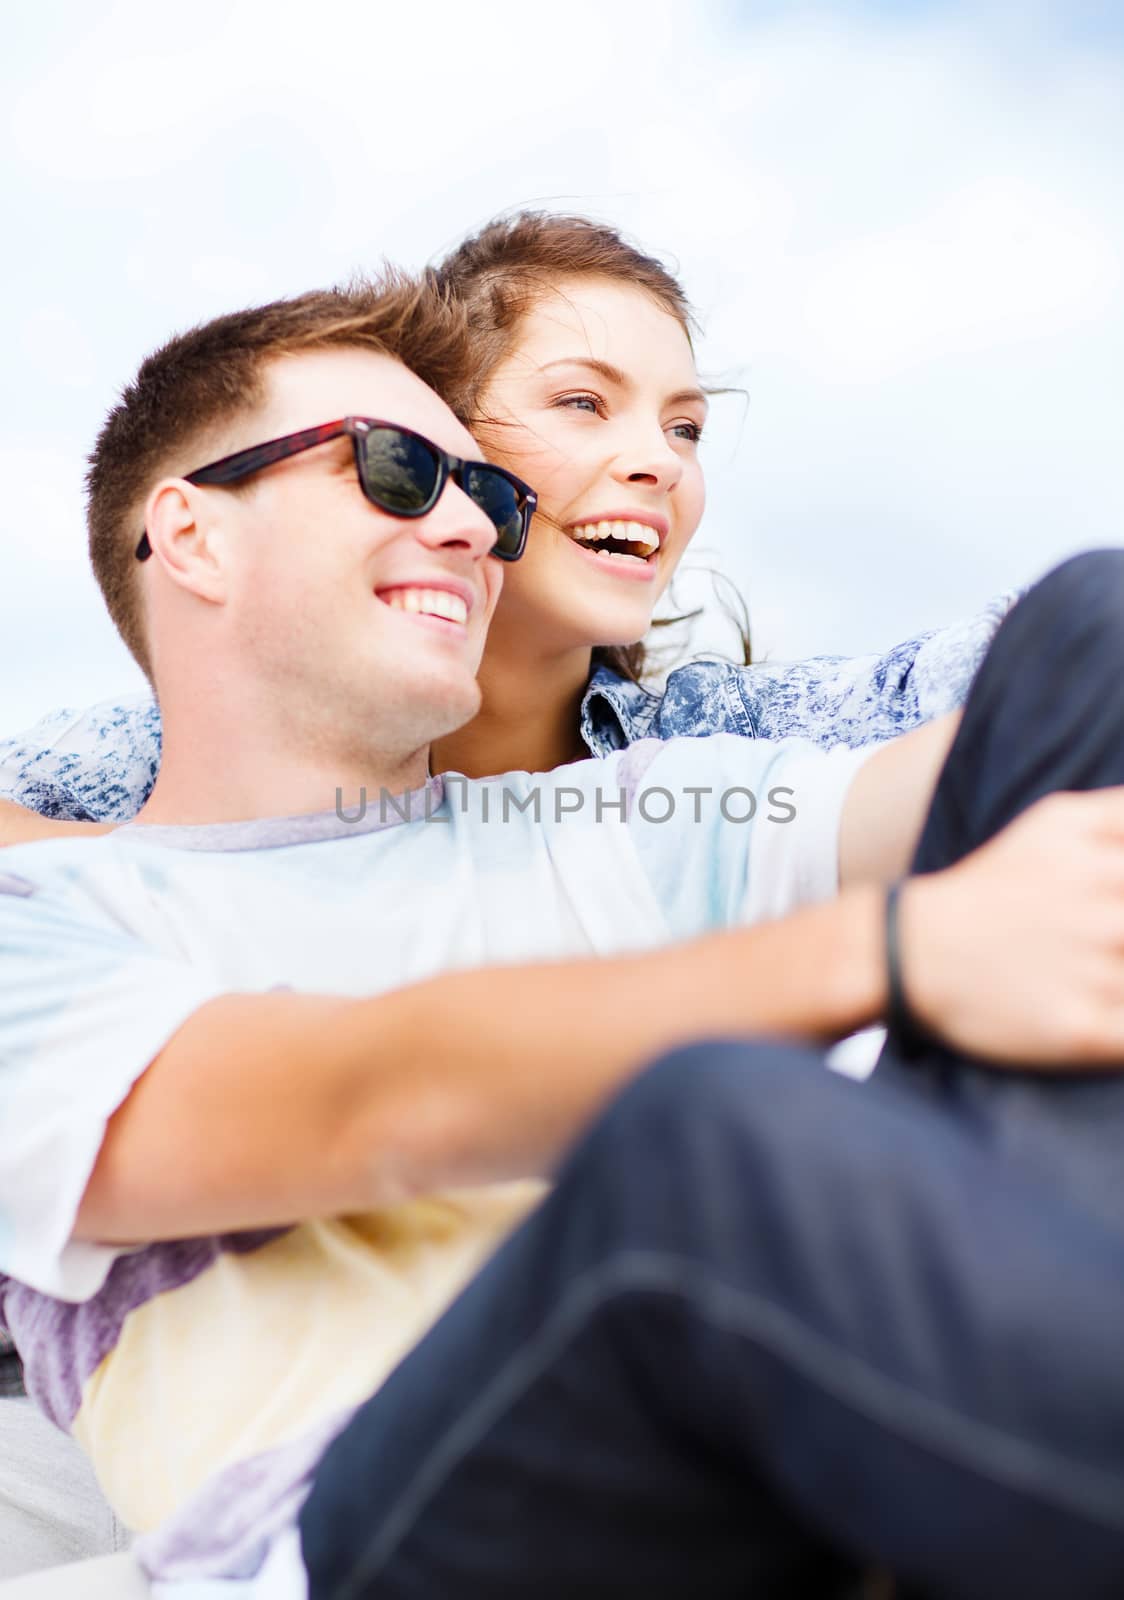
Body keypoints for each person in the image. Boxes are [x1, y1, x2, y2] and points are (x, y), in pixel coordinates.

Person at [0, 275, 1122, 1600]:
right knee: (706, 1143)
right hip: (376, 1530)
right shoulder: (55, 921)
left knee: (1086, 640)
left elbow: (974, 754)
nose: (475, 528)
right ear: (189, 536)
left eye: (494, 495)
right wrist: (888, 951)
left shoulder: (621, 817)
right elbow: (365, 1096)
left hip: (841, 1436)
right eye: (399, 470)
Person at [0, 212, 1011, 843]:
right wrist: (130, 873)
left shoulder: (711, 755)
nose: (660, 460)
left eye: (686, 427)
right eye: (581, 402)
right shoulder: (171, 761)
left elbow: (1003, 674)